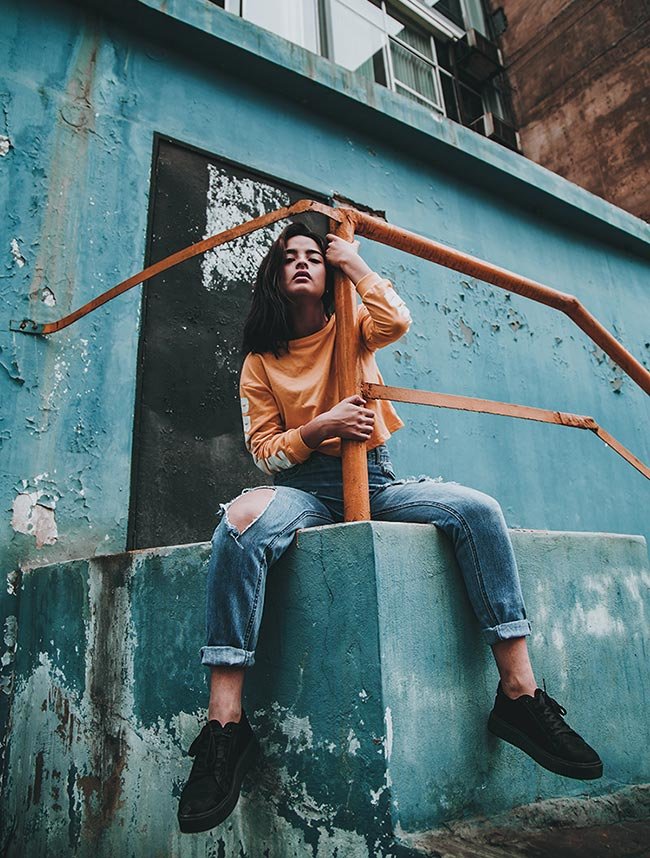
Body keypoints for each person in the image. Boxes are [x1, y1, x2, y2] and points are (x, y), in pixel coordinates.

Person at [177, 222, 602, 835]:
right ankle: (225, 726)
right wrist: (322, 426)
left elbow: (397, 320)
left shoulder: (351, 320)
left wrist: (353, 260)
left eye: (313, 257)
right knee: (241, 525)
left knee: (477, 510)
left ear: (328, 273)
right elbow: (264, 451)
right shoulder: (259, 362)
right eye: (288, 258)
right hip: (305, 490)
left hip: (376, 480)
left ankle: (518, 694)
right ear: (273, 276)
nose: (303, 263)